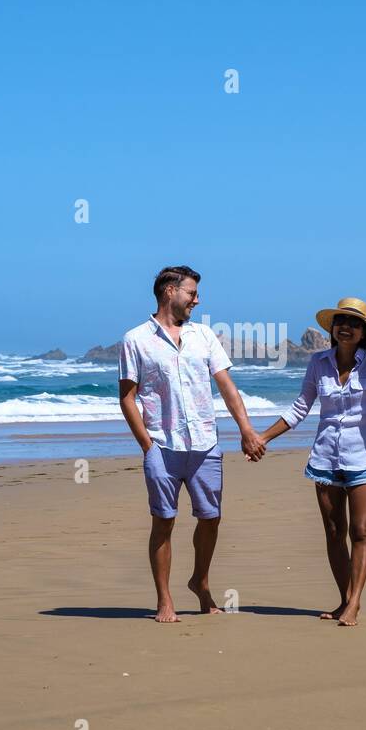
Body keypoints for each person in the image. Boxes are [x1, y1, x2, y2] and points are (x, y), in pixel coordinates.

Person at [118, 265, 266, 623]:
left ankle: (200, 581)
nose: (197, 300)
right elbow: (127, 397)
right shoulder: (135, 339)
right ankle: (164, 600)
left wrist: (246, 429)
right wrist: (147, 446)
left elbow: (227, 388)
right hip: (162, 447)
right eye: (191, 293)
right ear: (170, 291)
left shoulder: (204, 336)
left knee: (211, 518)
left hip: (204, 444)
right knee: (163, 523)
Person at [258, 297, 366, 626]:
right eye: (340, 322)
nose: (345, 328)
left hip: (365, 458)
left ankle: (355, 603)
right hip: (325, 458)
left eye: (354, 323)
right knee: (335, 532)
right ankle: (344, 600)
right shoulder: (318, 363)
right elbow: (300, 408)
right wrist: (262, 437)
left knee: (361, 531)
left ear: (365, 330)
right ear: (333, 329)